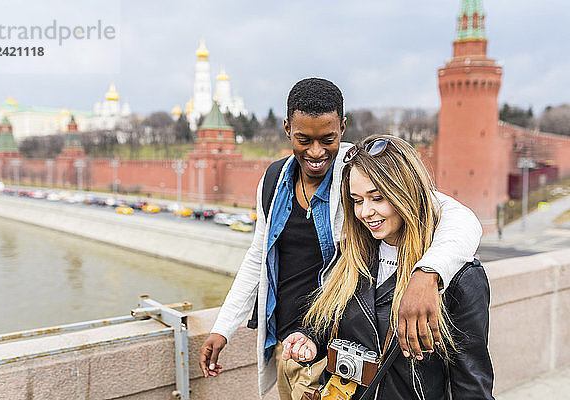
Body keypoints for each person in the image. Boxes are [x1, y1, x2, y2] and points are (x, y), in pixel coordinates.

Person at [199, 78, 483, 400]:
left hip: (334, 350)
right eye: (303, 139)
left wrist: (428, 273)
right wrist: (224, 327)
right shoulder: (273, 181)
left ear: (343, 128)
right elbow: (258, 258)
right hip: (293, 344)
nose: (316, 152)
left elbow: (460, 218)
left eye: (327, 139)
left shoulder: (360, 170)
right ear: (287, 128)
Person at [282, 135, 494, 399]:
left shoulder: (459, 277)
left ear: (403, 194)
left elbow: (471, 384)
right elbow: (336, 320)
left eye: (377, 197)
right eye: (357, 201)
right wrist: (311, 337)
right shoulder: (355, 255)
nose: (365, 212)